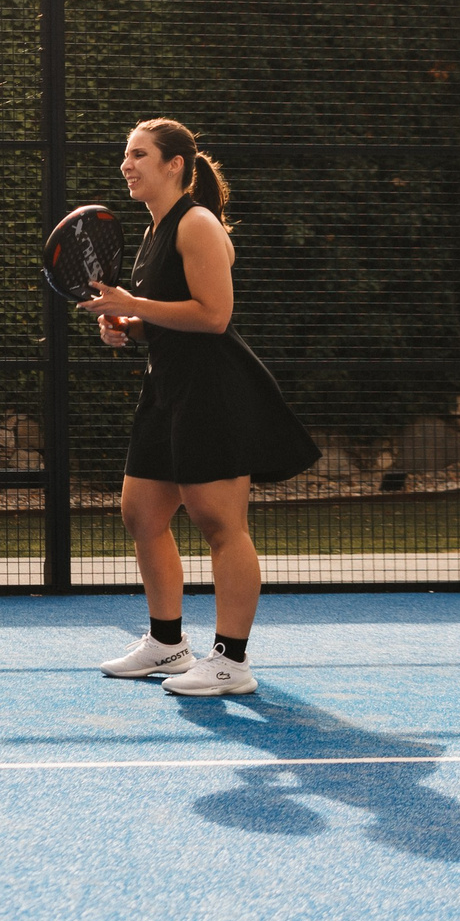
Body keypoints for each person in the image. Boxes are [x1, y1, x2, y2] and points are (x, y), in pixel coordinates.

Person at [74, 119, 318, 696]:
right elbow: (168, 317)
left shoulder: (198, 223)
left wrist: (134, 303)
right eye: (125, 156)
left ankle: (231, 662)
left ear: (175, 164)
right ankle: (167, 644)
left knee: (218, 522)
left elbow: (214, 316)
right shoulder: (154, 229)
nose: (126, 165)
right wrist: (128, 328)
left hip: (213, 391)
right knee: (142, 515)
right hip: (167, 389)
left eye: (138, 155)